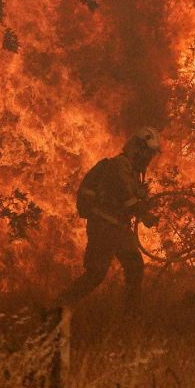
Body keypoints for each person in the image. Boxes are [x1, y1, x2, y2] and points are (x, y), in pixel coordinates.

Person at [54, 127, 162, 309]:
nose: (149, 158)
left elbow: (131, 199)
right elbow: (127, 198)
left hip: (118, 228)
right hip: (104, 227)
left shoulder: (133, 171)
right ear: (137, 148)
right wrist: (144, 214)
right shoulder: (120, 165)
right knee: (96, 274)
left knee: (134, 268)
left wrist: (144, 202)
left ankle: (130, 316)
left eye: (151, 154)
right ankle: (59, 307)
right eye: (148, 153)